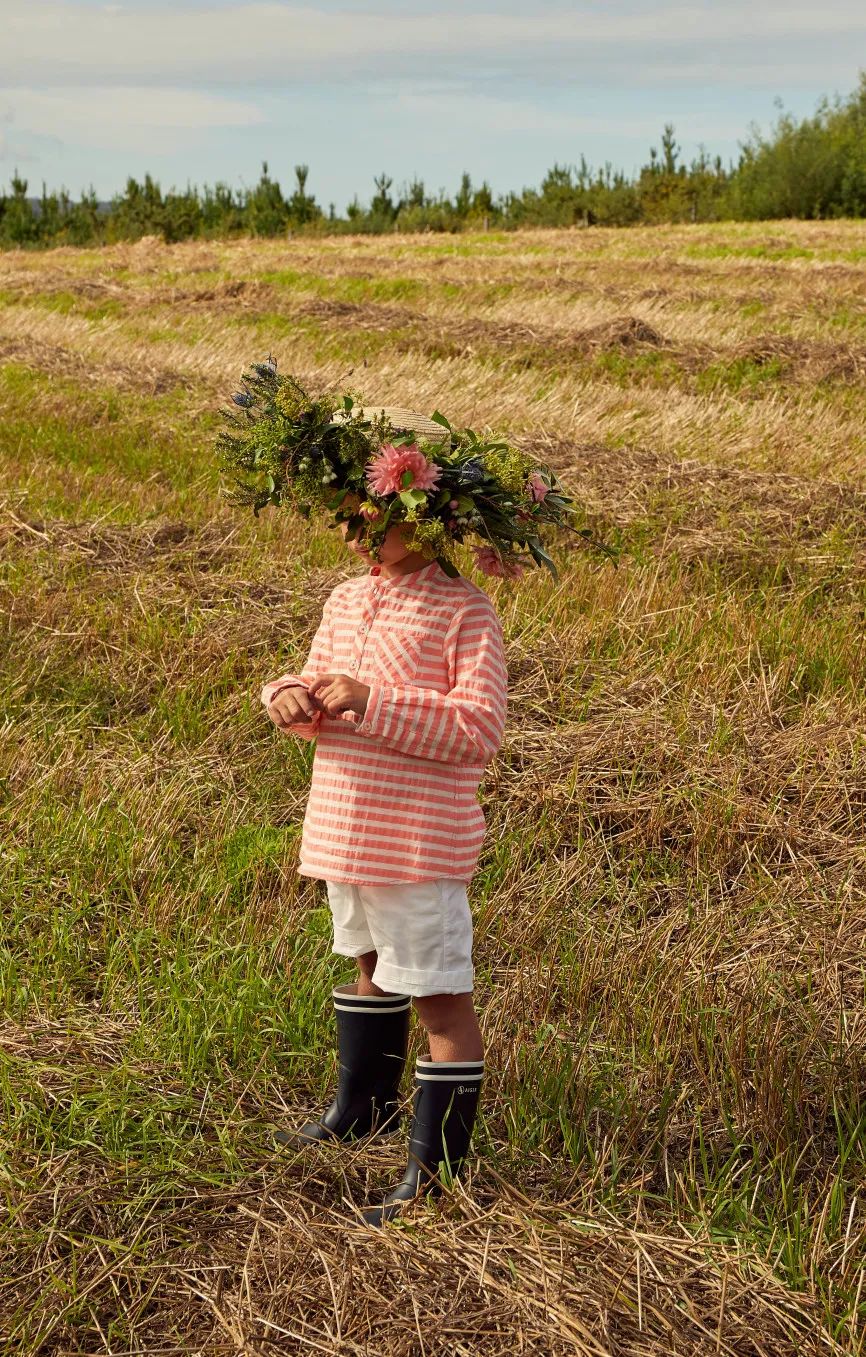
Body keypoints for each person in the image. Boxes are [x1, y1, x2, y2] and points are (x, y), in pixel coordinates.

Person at [261, 409, 508, 1226]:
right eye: (351, 522)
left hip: (416, 839)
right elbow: (317, 691)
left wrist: (374, 700)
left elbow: (476, 731)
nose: (360, 538)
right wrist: (287, 697)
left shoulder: (464, 611)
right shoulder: (344, 598)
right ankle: (362, 1110)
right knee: (367, 965)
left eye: (376, 521)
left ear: (428, 520)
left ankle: (436, 1179)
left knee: (439, 999)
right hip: (345, 825)